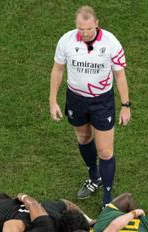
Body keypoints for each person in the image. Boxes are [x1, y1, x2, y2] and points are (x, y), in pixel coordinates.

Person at [50, 5, 131, 204]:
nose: (85, 33)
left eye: (88, 29)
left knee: (105, 150)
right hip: (76, 99)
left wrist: (125, 105)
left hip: (101, 101)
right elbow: (58, 70)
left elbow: (119, 75)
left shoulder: (110, 42)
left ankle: (107, 200)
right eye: (81, 29)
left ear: (96, 23)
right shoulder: (66, 41)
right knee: (84, 137)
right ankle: (95, 178)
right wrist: (52, 101)